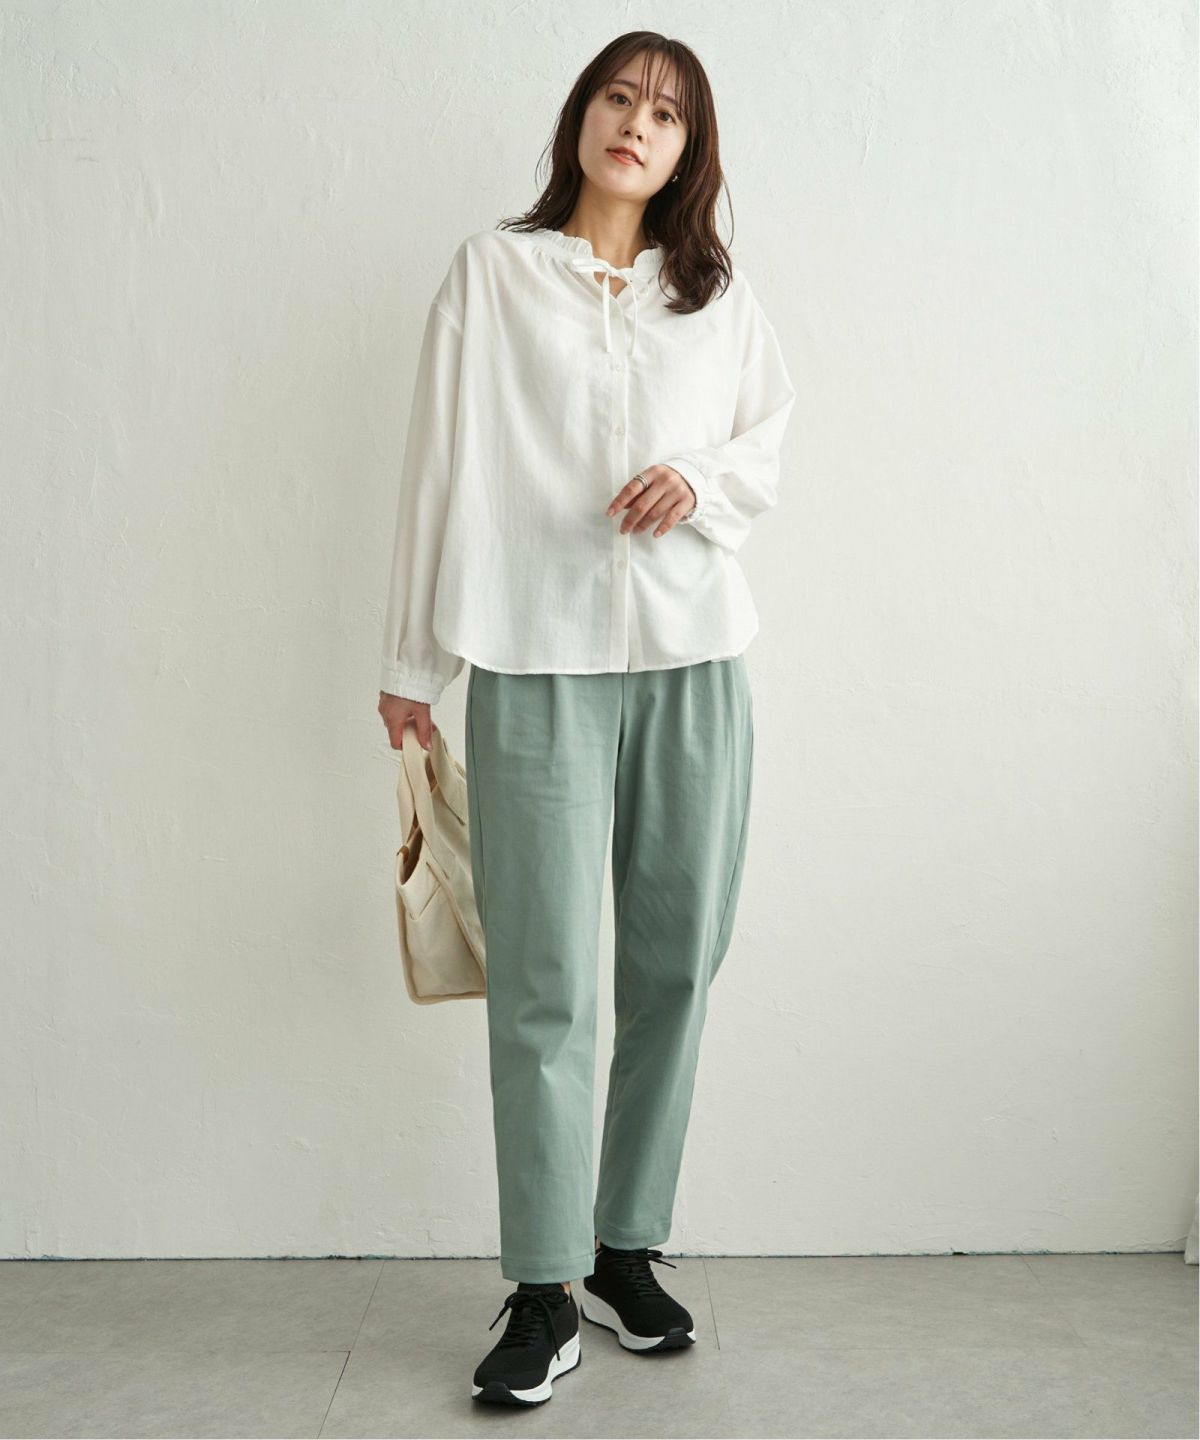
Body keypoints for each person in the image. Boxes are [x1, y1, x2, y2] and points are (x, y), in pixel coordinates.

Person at [377, 30, 796, 1408]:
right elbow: (437, 466)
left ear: (689, 151)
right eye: (621, 97)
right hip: (533, 655)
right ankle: (544, 1284)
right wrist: (412, 660)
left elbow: (767, 441)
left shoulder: (713, 297)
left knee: (676, 964)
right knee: (547, 980)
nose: (637, 124)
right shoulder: (493, 276)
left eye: (667, 114)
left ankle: (625, 1248)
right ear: (581, 116)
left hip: (694, 657)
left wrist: (699, 481)